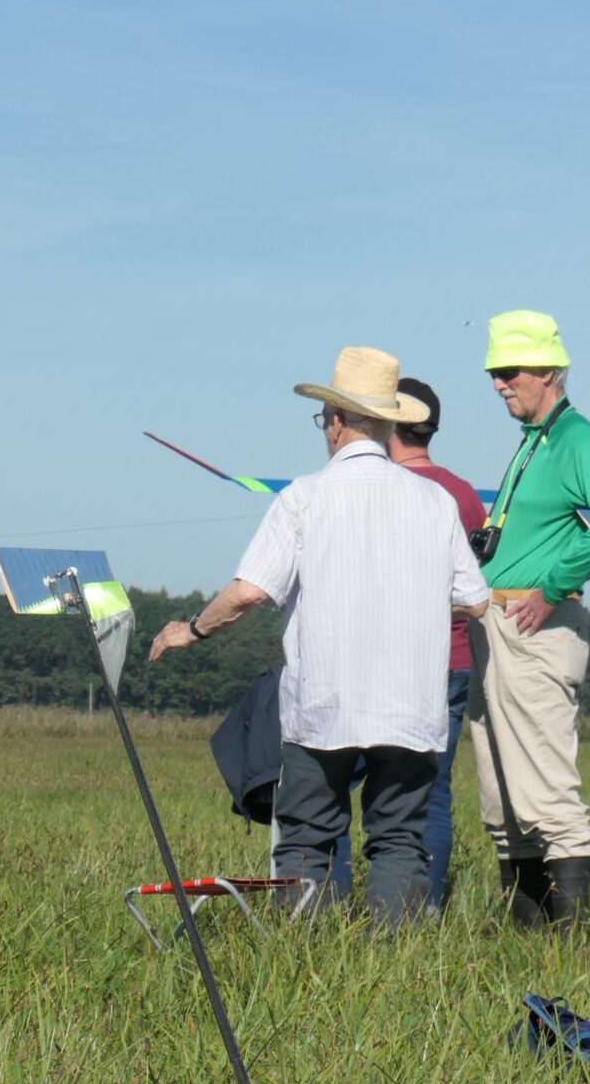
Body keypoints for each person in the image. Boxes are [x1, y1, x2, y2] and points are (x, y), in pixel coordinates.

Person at [150, 347, 487, 926]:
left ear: (335, 421)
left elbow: (250, 591)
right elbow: (476, 599)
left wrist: (194, 630)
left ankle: (308, 952)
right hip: (411, 701)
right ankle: (397, 964)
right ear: (388, 423)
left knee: (309, 832)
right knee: (400, 837)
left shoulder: (305, 497)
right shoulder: (435, 502)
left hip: (323, 703)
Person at [468, 310, 590, 929]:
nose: (497, 384)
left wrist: (551, 587)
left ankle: (578, 951)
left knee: (545, 792)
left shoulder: (575, 438)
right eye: (492, 372)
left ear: (546, 370)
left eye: (508, 371)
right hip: (497, 627)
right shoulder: (534, 440)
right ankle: (528, 940)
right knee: (503, 799)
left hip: (531, 629)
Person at [386, 376, 487, 911]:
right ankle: (426, 907)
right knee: (435, 792)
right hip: (454, 660)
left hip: (393, 664)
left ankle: (337, 907)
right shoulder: (467, 495)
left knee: (344, 784)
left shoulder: (386, 489)